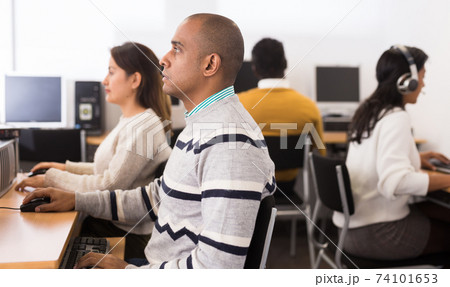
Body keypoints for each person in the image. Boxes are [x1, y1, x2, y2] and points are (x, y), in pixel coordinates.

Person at [23, 13, 275, 269]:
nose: (163, 59)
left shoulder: (229, 146)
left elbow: (217, 268)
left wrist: (129, 271)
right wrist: (77, 199)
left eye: (177, 49)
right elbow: (156, 198)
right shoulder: (201, 126)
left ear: (209, 65)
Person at [16, 42, 173, 260]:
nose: (104, 81)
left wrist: (50, 179)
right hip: (111, 224)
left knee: (40, 246)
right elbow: (109, 169)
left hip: (126, 234)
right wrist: (65, 168)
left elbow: (109, 184)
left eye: (111, 72)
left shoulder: (145, 127)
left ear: (135, 80)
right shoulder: (132, 121)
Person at [335, 45, 450, 261]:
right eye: (422, 77)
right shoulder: (396, 118)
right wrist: (446, 178)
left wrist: (416, 157)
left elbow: (375, 157)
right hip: (377, 234)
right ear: (407, 81)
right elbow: (395, 182)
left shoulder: (371, 111)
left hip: (349, 230)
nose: (423, 84)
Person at [238, 38, 325, 197]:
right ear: (285, 64)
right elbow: (320, 153)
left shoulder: (237, 105)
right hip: (287, 187)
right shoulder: (309, 107)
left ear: (254, 69)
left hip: (249, 190)